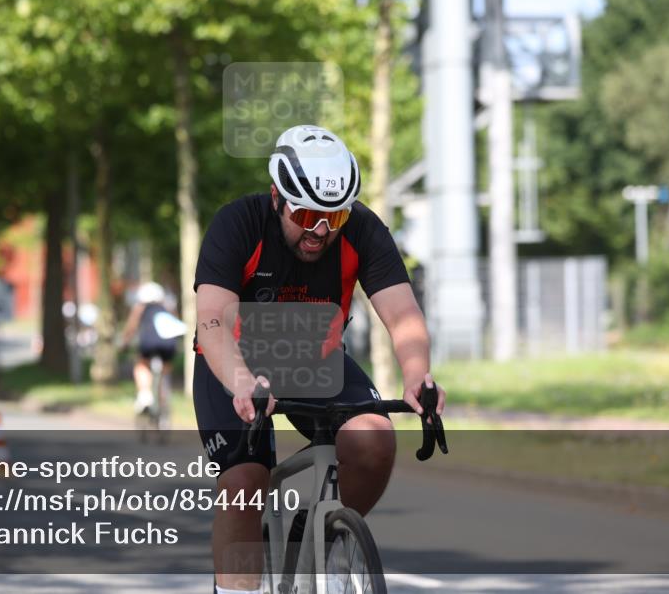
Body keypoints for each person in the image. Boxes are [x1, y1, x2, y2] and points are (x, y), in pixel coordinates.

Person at [193, 125, 443, 594]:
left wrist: (417, 377)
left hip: (313, 355)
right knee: (246, 480)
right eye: (306, 213)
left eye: (335, 217)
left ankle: (313, 536)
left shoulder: (364, 230)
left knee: (373, 440)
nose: (321, 230)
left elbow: (404, 314)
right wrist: (242, 380)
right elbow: (210, 320)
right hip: (234, 359)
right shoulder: (238, 223)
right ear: (276, 197)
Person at [121, 282, 179, 414]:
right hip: (168, 345)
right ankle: (164, 395)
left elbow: (131, 327)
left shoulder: (140, 307)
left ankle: (145, 395)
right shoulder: (167, 306)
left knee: (141, 364)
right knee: (165, 367)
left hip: (149, 343)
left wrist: (125, 343)